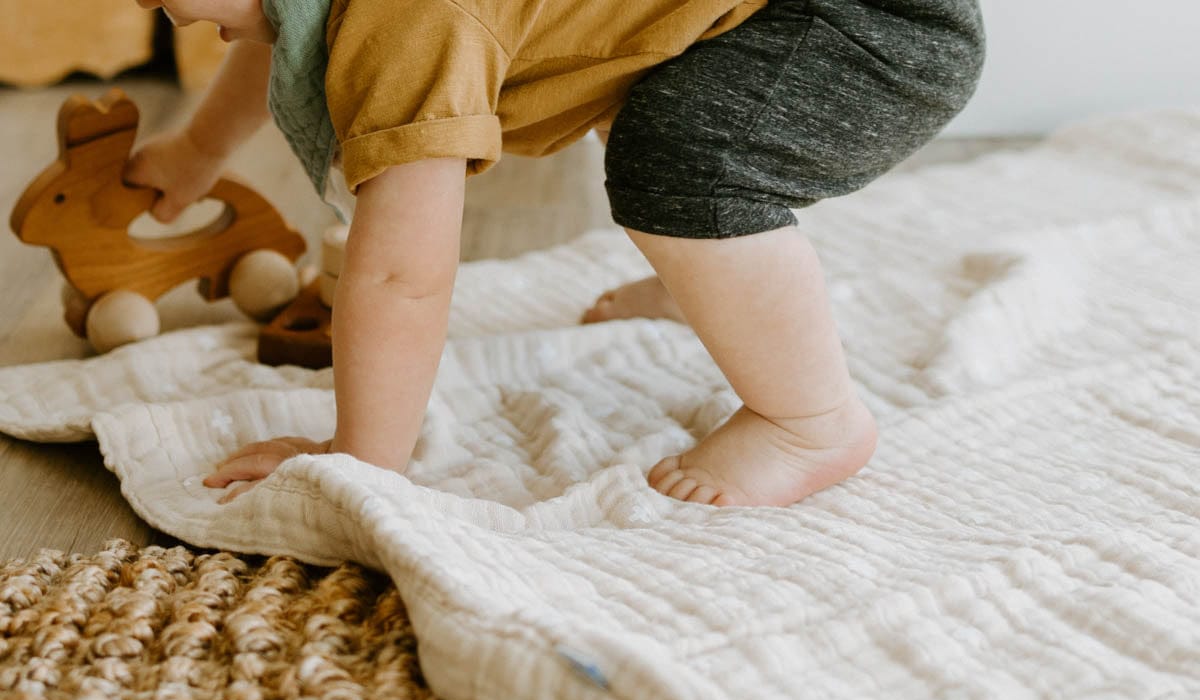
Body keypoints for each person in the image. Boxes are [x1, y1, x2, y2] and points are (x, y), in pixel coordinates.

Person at [126, 0, 985, 507]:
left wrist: (362, 457)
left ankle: (811, 422)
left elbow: (402, 272)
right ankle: (700, 278)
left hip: (866, 25)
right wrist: (198, 151)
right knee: (659, 108)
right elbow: (284, 29)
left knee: (683, 162)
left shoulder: (406, 17)